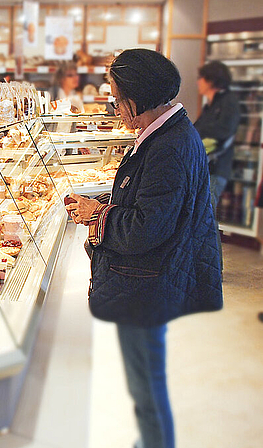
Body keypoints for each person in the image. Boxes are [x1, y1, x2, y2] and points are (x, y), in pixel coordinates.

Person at [65, 49, 223, 448]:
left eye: (117, 98)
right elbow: (151, 201)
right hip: (155, 276)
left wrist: (97, 214)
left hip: (148, 281)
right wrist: (107, 199)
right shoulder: (168, 132)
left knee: (145, 380)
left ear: (137, 98)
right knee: (145, 376)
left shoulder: (168, 146)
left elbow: (144, 227)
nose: (114, 106)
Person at [194, 61, 240, 214]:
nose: (198, 82)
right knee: (203, 215)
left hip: (216, 167)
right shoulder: (211, 104)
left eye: (201, 78)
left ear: (211, 80)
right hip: (206, 167)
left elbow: (223, 132)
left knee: (206, 216)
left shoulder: (229, 102)